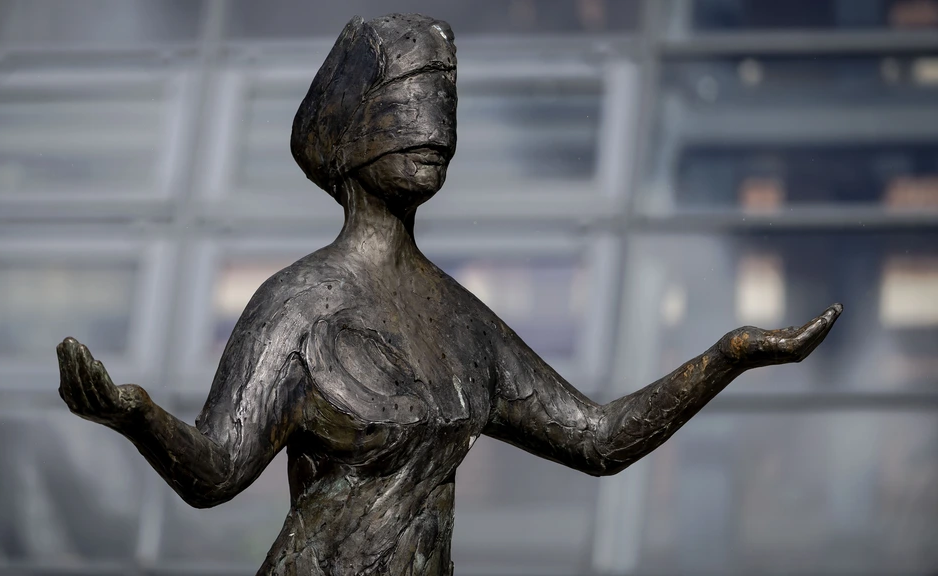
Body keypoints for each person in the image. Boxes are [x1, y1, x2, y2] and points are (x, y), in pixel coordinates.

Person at [56, 14, 841, 576]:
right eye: (408, 112)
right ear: (351, 132)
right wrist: (134, 415)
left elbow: (597, 439)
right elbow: (218, 470)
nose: (434, 133)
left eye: (442, 115)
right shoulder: (297, 306)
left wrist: (726, 357)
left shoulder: (461, 319)